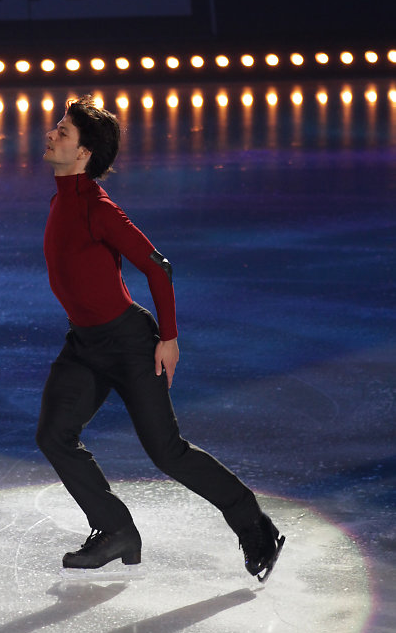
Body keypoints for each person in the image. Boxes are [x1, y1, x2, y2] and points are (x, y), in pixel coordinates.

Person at [36, 95, 285, 580]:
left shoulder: (99, 207)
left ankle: (253, 524)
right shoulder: (60, 199)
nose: (51, 134)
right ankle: (115, 530)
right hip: (84, 346)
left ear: (84, 154)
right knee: (53, 435)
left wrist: (168, 338)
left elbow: (157, 266)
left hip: (130, 346)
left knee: (166, 451)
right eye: (58, 127)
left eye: (63, 131)